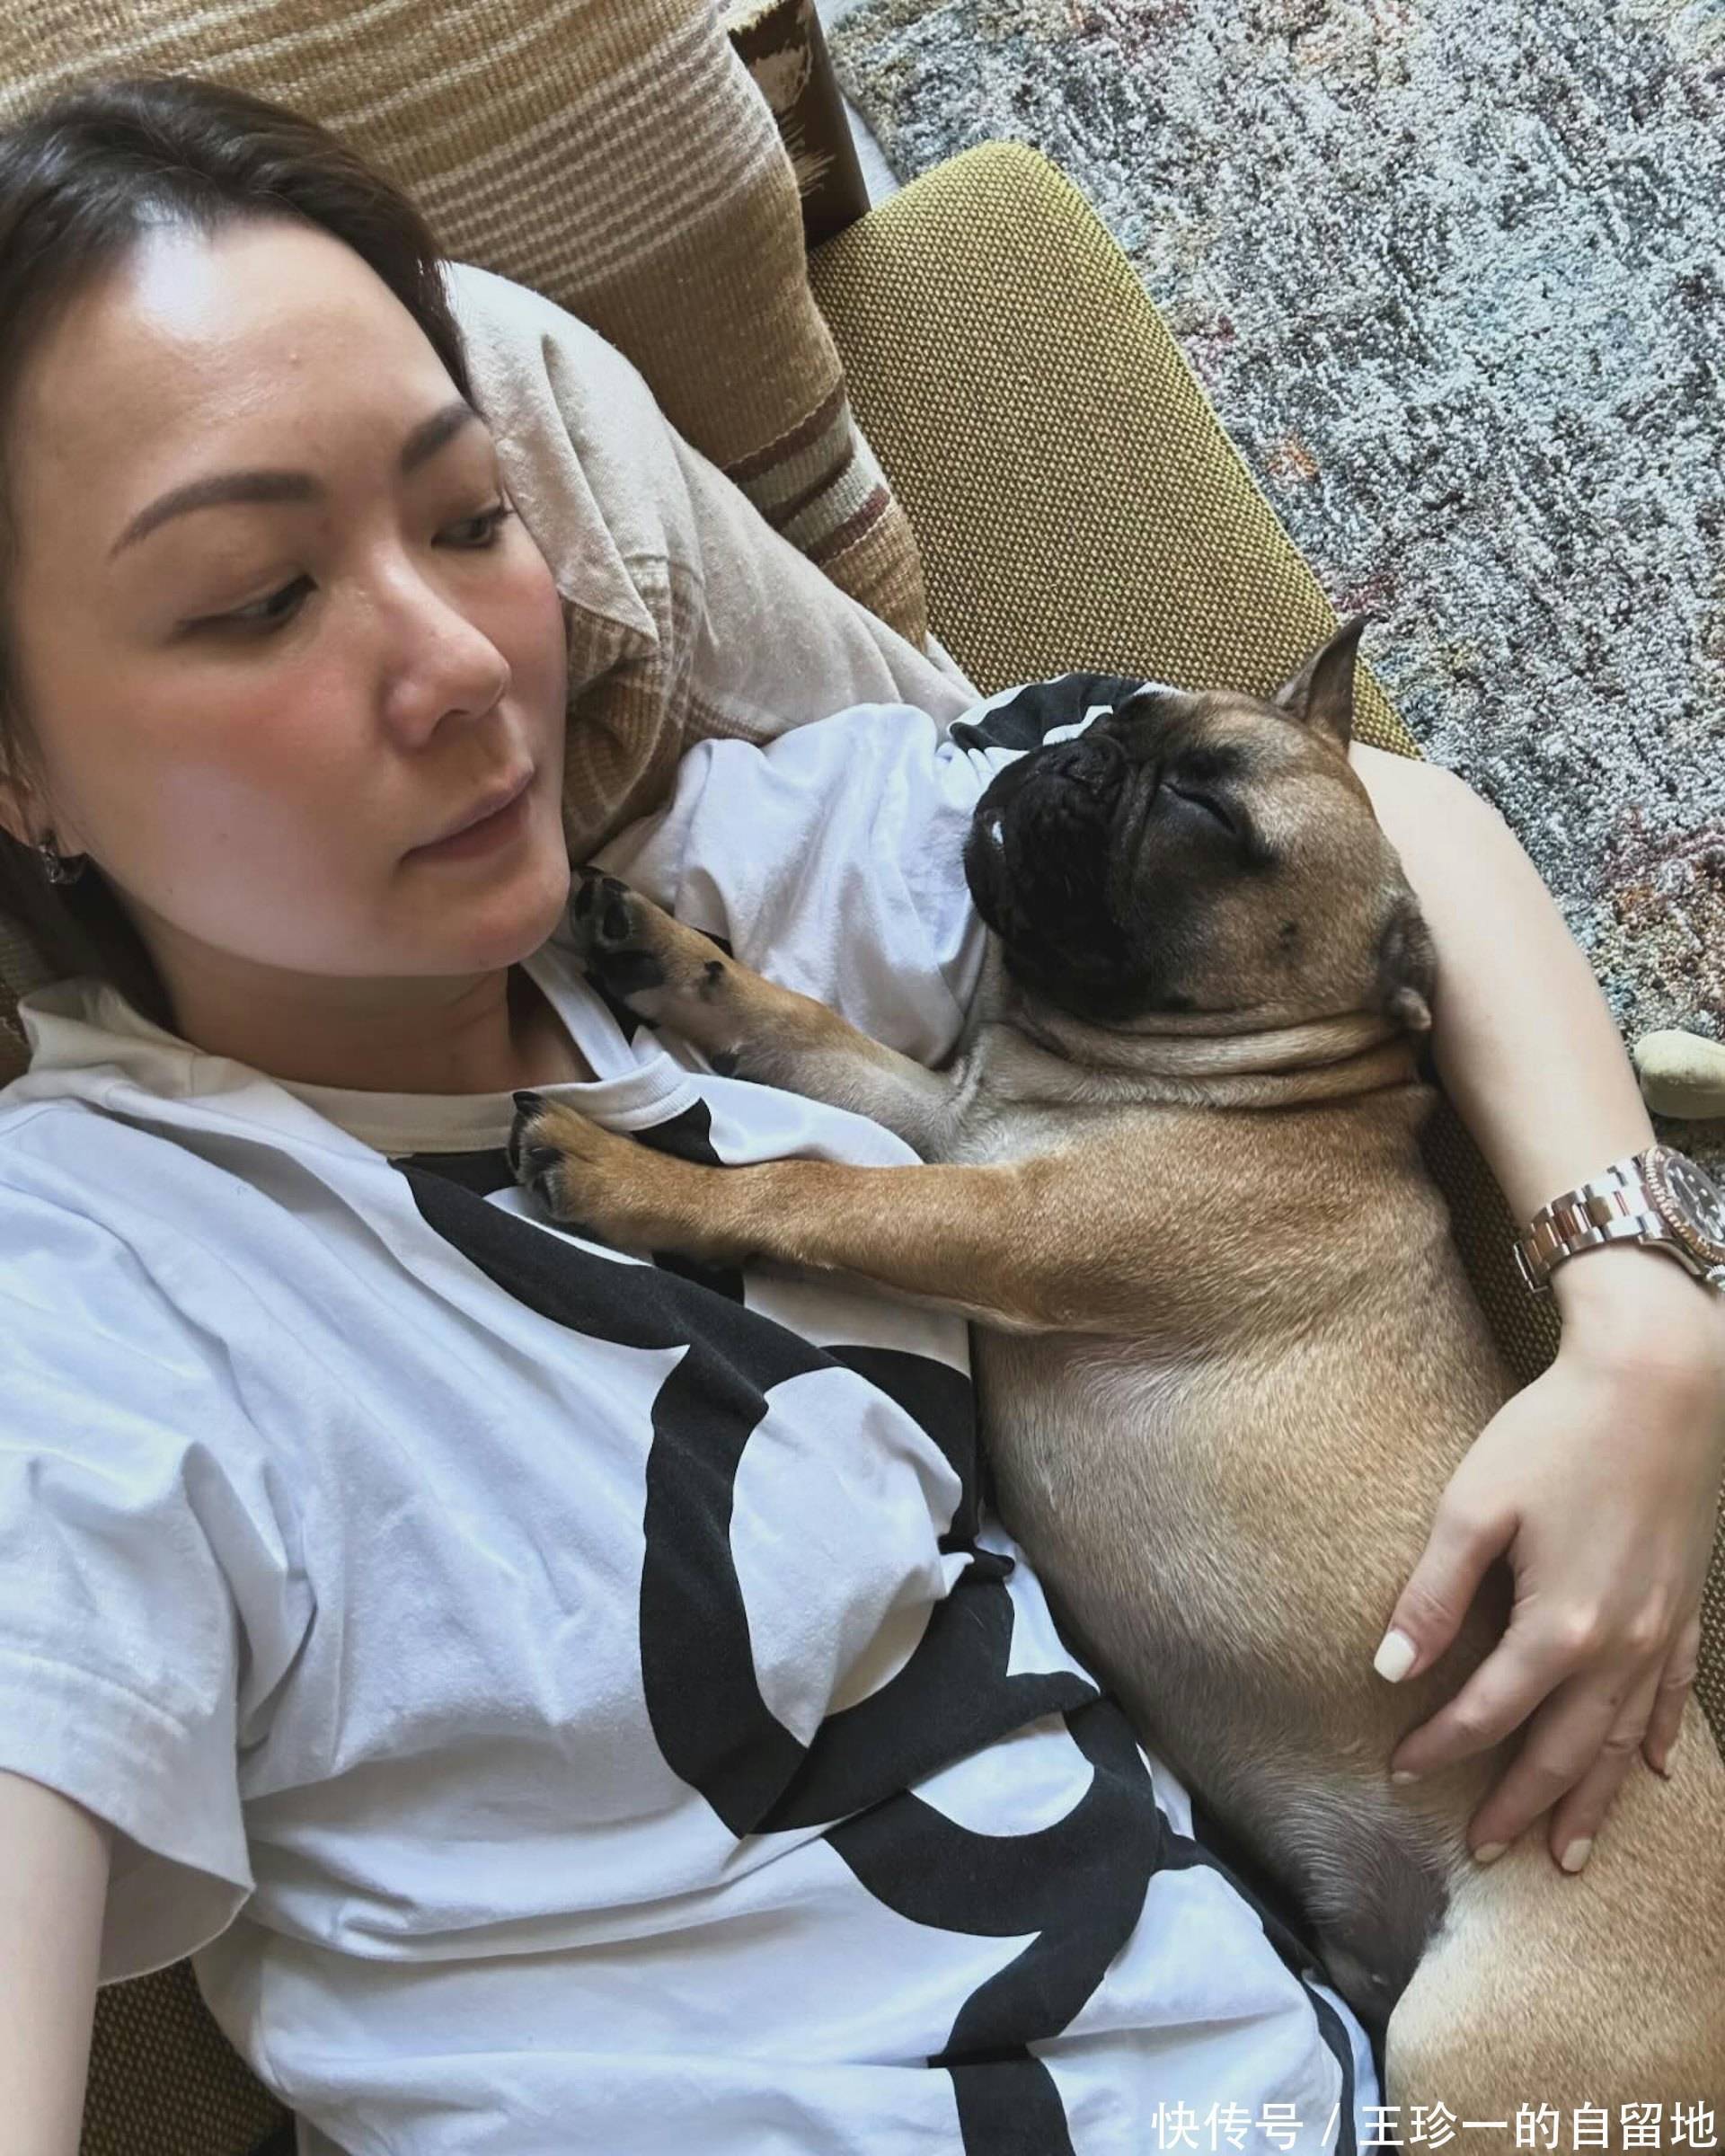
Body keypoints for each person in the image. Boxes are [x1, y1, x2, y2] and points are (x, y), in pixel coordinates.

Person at [0, 72, 1718, 2156]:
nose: (458, 664)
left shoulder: (706, 905)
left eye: (472, 518)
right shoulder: (83, 1281)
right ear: (22, 768)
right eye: (257, 596)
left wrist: (1643, 1312)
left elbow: (1374, 832)